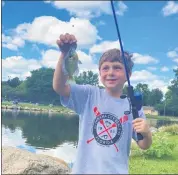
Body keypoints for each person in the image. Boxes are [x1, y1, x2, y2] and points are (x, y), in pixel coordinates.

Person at [53, 33, 152, 174]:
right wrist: (64, 54)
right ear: (100, 73)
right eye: (105, 68)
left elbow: (143, 144)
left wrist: (147, 133)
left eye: (117, 68)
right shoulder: (89, 95)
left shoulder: (134, 106)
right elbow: (59, 87)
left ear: (128, 75)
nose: (110, 72)